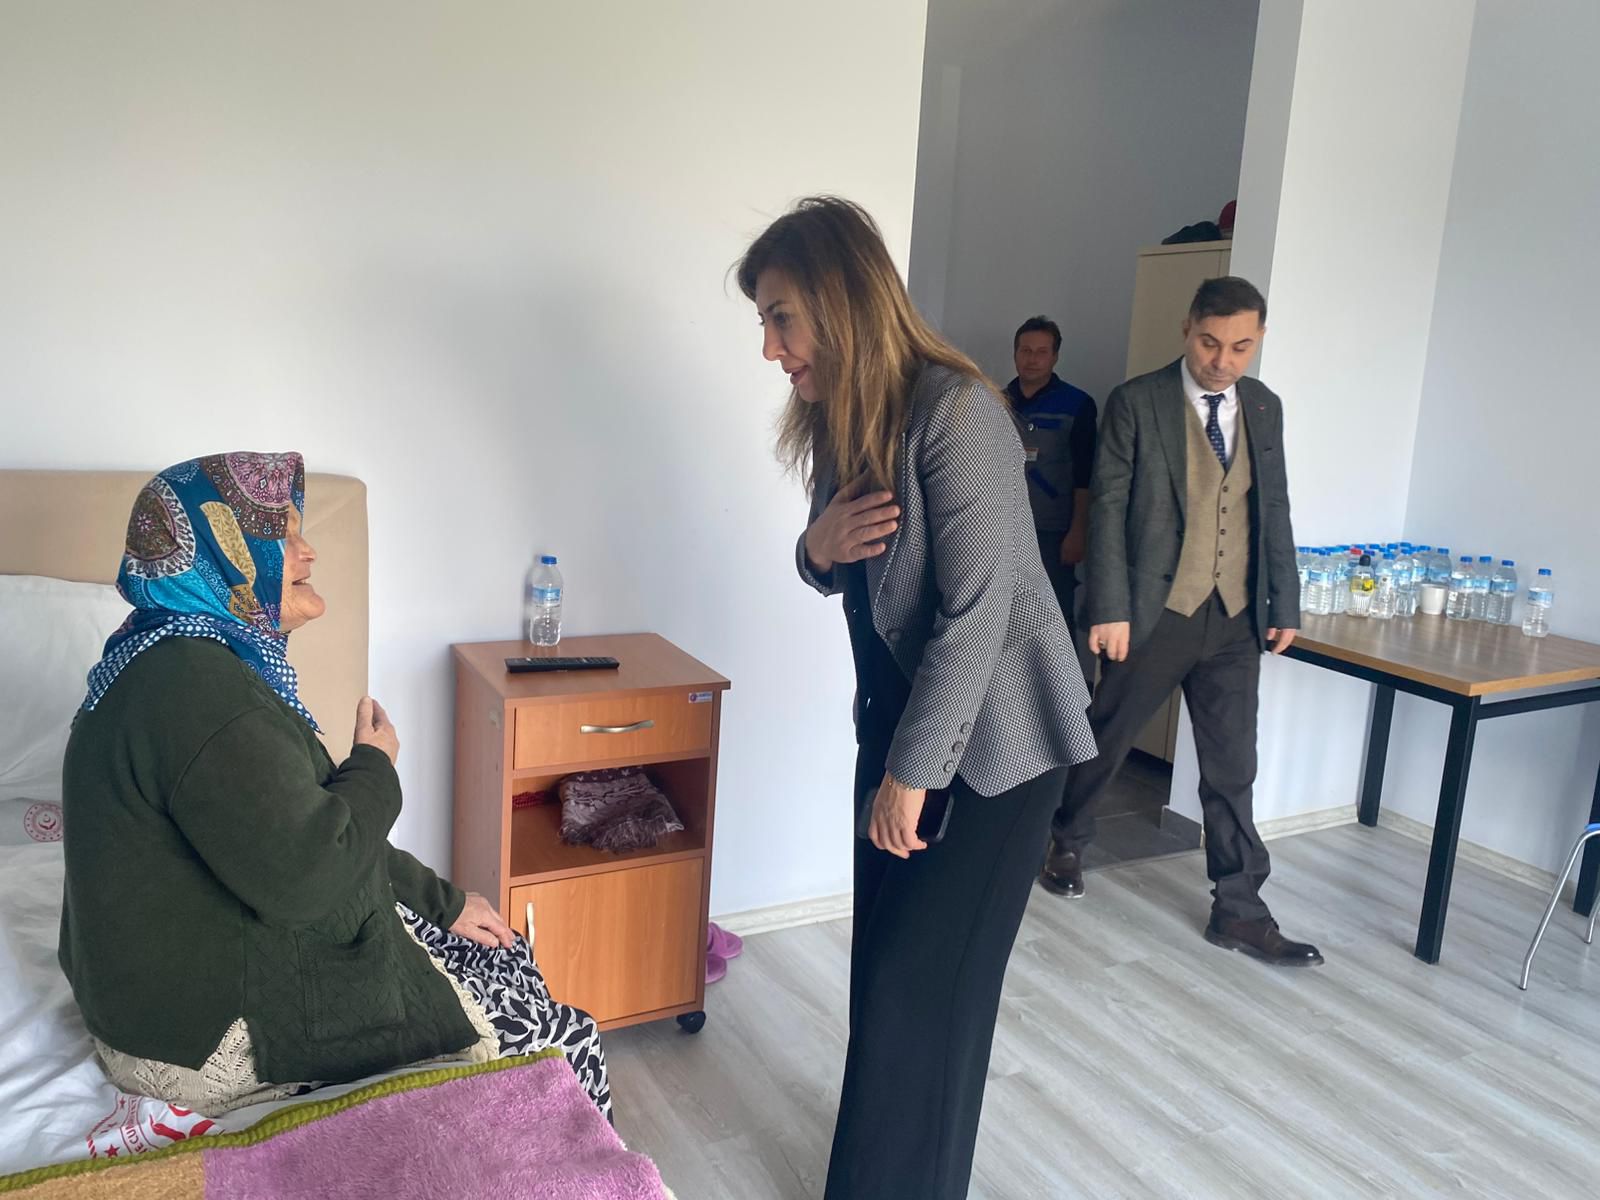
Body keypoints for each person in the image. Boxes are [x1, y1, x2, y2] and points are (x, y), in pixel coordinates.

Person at [58, 452, 611, 1117]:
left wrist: (439, 901)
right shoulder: (197, 690)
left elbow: (298, 817)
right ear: (219, 552)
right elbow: (308, 876)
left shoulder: (172, 652)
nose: (309, 551)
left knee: (486, 952)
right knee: (562, 1038)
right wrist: (375, 764)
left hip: (158, 995)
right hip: (199, 1033)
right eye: (280, 536)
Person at [738, 198, 1097, 1200]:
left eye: (781, 318)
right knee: (885, 987)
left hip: (991, 755)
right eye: (764, 322)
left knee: (920, 999)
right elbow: (836, 558)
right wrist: (814, 550)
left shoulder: (959, 412)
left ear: (841, 302)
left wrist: (913, 776)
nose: (769, 348)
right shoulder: (846, 416)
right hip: (900, 734)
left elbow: (978, 615)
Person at [1038, 278, 1324, 968]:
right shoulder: (1137, 401)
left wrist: (1284, 603)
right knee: (1107, 737)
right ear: (1187, 328)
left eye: (1241, 347)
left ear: (1258, 341)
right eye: (1209, 342)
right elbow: (1108, 507)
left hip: (1235, 620)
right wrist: (1107, 608)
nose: (1223, 360)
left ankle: (1239, 909)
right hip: (1152, 611)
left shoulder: (1264, 406)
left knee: (1233, 767)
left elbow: (1273, 507)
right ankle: (1065, 838)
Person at [1004, 315, 1097, 657]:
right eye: (1025, 350)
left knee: (1054, 613)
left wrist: (1078, 532)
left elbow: (1086, 476)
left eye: (1041, 352)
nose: (1032, 359)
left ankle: (1062, 685)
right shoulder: (996, 401)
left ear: (1055, 356)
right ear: (1015, 353)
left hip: (1053, 531)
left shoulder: (1077, 405)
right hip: (1004, 527)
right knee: (1003, 612)